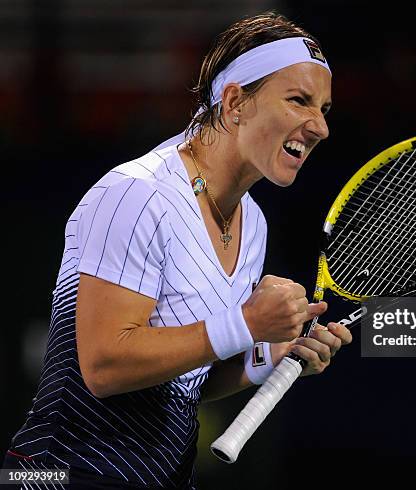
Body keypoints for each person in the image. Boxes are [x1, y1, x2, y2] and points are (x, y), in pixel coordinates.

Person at [3, 12, 352, 489]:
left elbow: (186, 379)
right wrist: (246, 324)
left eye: (325, 109)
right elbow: (104, 366)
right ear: (235, 103)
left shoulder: (253, 225)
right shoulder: (137, 194)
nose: (319, 127)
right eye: (299, 101)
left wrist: (269, 354)